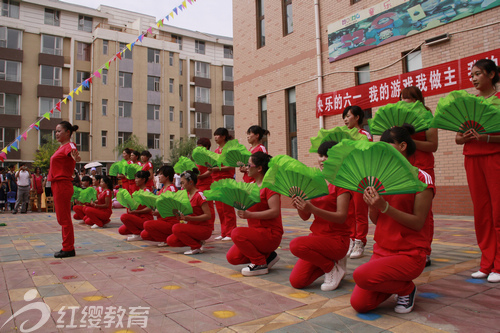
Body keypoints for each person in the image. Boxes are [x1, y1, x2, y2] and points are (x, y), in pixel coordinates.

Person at [350, 124, 434, 314]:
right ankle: (398, 285)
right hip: (382, 251)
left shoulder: (422, 179)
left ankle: (406, 289)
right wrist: (373, 206)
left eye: (389, 146)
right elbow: (378, 221)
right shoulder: (380, 180)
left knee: (361, 275)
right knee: (360, 304)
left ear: (403, 146)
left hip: (410, 254)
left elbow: (418, 222)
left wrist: (385, 207)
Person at [455, 59, 500, 283]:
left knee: (498, 212)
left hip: (495, 158)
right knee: (482, 214)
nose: (473, 78)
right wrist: (464, 137)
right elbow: (457, 138)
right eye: (471, 75)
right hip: (472, 159)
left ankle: (499, 265)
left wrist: (487, 138)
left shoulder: (499, 100)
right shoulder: (469, 104)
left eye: (478, 74)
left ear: (491, 75)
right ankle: (486, 262)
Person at [290, 141, 354, 290]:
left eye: (328, 156)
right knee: (297, 281)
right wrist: (298, 204)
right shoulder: (316, 182)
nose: (323, 159)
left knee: (296, 245)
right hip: (318, 238)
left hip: (337, 240)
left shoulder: (342, 183)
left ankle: (331, 267)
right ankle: (333, 265)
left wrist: (312, 208)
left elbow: (341, 217)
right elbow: (305, 216)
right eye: (321, 155)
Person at [227, 152, 283, 276]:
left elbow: (275, 212)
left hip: (270, 234)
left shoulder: (270, 186)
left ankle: (260, 263)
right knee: (232, 258)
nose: (246, 167)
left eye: (249, 165)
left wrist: (250, 215)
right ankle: (268, 256)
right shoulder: (251, 186)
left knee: (236, 233)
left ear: (259, 168)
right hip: (257, 233)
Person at [401, 86, 438, 267]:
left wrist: (410, 141)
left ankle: (425, 250)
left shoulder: (428, 117)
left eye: (408, 99)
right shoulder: (399, 118)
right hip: (405, 167)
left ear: (418, 100)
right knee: (406, 208)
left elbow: (433, 145)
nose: (404, 102)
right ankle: (409, 248)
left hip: (423, 167)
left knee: (424, 212)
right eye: (402, 99)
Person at [342, 105, 372, 259]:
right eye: (344, 117)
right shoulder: (343, 135)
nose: (346, 119)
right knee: (349, 212)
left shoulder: (364, 134)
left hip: (360, 177)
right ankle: (352, 239)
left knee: (360, 211)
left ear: (357, 117)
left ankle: (360, 241)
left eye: (348, 116)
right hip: (347, 177)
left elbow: (367, 155)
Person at [49, 121, 81, 258]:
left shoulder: (69, 145)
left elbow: (74, 154)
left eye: (59, 131)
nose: (56, 134)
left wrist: (76, 157)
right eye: (56, 131)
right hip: (57, 184)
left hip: (62, 184)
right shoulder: (61, 147)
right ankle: (67, 246)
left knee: (64, 218)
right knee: (62, 218)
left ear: (68, 132)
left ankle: (68, 248)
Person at [167, 169, 212, 254]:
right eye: (180, 183)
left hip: (203, 229)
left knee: (176, 228)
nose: (181, 185)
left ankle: (196, 247)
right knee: (171, 241)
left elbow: (208, 215)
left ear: (191, 182)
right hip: (192, 227)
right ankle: (197, 242)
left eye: (183, 183)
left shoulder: (199, 195)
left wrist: (189, 218)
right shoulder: (186, 195)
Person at [141, 165, 178, 246]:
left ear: (167, 176)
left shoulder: (171, 189)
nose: (159, 176)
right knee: (144, 234)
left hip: (170, 221)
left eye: (161, 174)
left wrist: (159, 211)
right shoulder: (161, 190)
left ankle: (167, 238)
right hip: (161, 220)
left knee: (147, 224)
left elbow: (173, 207)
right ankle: (166, 237)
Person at [211, 127, 237, 241]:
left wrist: (217, 169)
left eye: (218, 136)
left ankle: (231, 232)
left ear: (224, 137)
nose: (216, 138)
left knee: (228, 208)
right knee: (220, 209)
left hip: (226, 180)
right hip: (216, 181)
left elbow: (232, 166)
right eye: (215, 135)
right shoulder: (216, 150)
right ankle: (224, 232)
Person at [118, 171, 154, 241]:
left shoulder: (147, 192)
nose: (135, 180)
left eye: (137, 178)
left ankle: (137, 234)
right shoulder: (137, 192)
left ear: (143, 179)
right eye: (135, 178)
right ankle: (141, 232)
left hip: (145, 219)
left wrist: (136, 211)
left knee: (124, 217)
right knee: (122, 230)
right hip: (138, 218)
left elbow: (150, 208)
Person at [195, 138, 216, 229]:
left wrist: (199, 177)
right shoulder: (199, 158)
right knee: (199, 206)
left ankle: (210, 226)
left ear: (206, 147)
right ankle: (203, 224)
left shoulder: (208, 157)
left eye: (200, 146)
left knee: (208, 205)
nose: (198, 148)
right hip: (198, 184)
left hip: (206, 184)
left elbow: (210, 171)